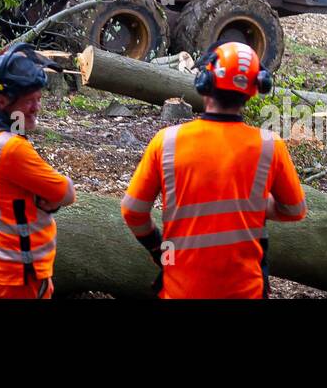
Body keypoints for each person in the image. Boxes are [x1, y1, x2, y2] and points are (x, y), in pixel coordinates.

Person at [120, 41, 307, 298]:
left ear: (205, 82)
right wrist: (253, 203)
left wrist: (161, 251)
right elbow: (295, 210)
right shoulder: (269, 145)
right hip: (245, 292)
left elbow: (132, 211)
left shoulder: (168, 141)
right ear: (254, 90)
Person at [0, 43, 77, 299]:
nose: (36, 108)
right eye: (29, 101)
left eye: (39, 99)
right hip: (20, 277)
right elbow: (67, 192)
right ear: (4, 101)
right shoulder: (11, 149)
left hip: (0, 271)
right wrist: (49, 202)